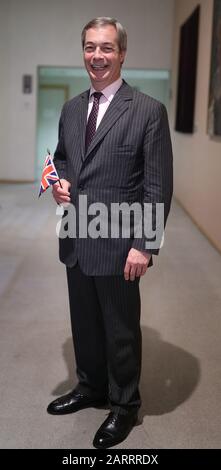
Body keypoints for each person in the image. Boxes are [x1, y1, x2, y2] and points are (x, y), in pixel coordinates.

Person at [47, 17, 173, 449]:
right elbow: (63, 159)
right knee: (84, 324)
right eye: (89, 47)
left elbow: (157, 185)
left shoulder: (148, 111)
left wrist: (144, 244)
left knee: (120, 329)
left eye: (105, 48)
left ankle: (123, 405)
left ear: (121, 53)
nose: (96, 56)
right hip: (76, 236)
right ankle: (90, 387)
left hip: (120, 245)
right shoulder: (71, 109)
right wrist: (59, 184)